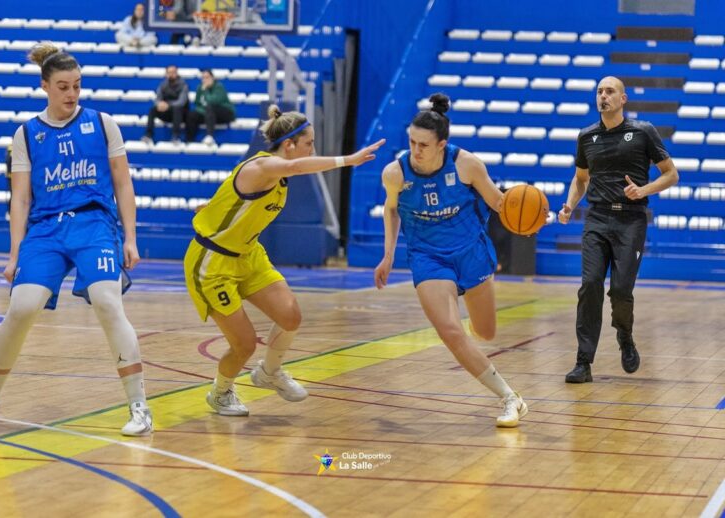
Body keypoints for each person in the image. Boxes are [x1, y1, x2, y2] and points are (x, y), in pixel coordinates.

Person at [0, 43, 152, 436]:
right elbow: (20, 197)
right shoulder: (27, 134)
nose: (71, 94)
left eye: (77, 86)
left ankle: (139, 406)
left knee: (106, 301)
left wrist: (130, 237)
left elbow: (122, 183)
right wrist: (15, 253)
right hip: (46, 229)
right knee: (21, 308)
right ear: (45, 86)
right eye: (63, 86)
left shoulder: (102, 123)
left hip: (94, 225)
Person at [184, 105, 385, 416]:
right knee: (245, 344)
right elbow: (293, 169)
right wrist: (348, 159)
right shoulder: (263, 167)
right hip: (213, 262)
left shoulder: (272, 175)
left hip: (248, 254)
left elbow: (233, 198)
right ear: (289, 145)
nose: (313, 150)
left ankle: (269, 372)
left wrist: (212, 208)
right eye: (309, 144)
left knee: (290, 315)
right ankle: (221, 392)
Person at [374, 93, 528, 428]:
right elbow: (391, 209)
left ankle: (472, 324)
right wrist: (387, 256)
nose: (415, 150)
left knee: (485, 333)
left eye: (423, 145)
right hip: (428, 257)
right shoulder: (395, 173)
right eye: (412, 142)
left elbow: (499, 203)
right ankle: (510, 397)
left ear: (442, 144)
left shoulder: (467, 165)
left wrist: (529, 214)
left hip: (471, 252)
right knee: (450, 330)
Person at [560, 76, 679, 383]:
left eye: (610, 91)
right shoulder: (586, 136)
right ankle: (583, 362)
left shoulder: (642, 131)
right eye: (599, 91)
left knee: (622, 290)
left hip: (631, 219)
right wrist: (570, 205)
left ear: (623, 99)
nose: (603, 96)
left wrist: (644, 190)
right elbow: (581, 178)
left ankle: (624, 336)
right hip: (597, 219)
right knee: (590, 285)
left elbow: (671, 174)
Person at [185, 69, 235, 146]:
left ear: (212, 78)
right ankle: (189, 140)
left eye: (207, 77)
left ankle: (209, 136)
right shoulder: (200, 88)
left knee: (210, 107)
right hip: (209, 114)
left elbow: (213, 101)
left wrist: (205, 91)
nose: (205, 80)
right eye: (203, 78)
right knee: (192, 115)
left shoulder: (219, 87)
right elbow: (197, 103)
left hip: (225, 113)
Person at [142, 65, 189, 145]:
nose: (171, 74)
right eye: (169, 72)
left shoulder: (184, 85)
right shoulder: (163, 85)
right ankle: (148, 135)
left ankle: (175, 136)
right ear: (166, 74)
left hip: (181, 114)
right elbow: (157, 99)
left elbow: (181, 101)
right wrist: (159, 104)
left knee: (177, 108)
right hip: (167, 112)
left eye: (173, 72)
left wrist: (168, 105)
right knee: (153, 109)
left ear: (177, 73)